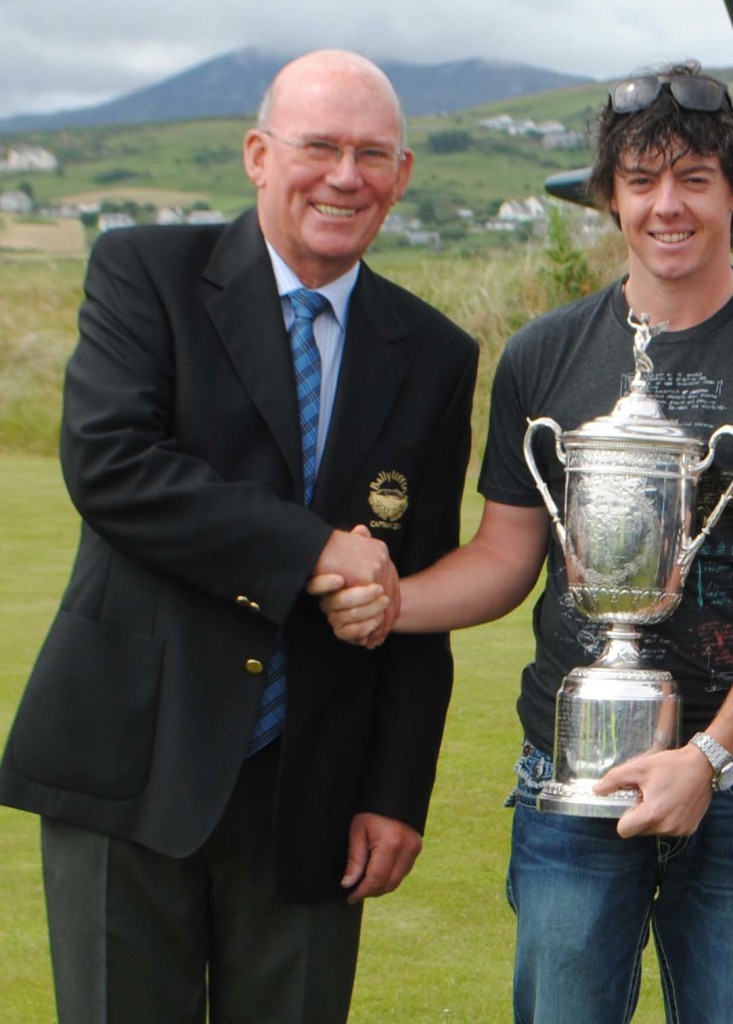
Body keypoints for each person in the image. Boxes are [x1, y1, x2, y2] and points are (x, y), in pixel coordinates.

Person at [310, 63, 733, 1023]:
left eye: (695, 178)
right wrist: (390, 601)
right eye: (642, 180)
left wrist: (708, 757)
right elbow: (503, 560)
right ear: (611, 196)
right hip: (571, 773)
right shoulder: (543, 356)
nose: (668, 206)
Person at [0, 50, 478, 1024]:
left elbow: (411, 587)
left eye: (371, 154)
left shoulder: (433, 353)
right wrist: (312, 551)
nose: (345, 176)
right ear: (259, 155)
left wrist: (396, 790)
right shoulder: (144, 272)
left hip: (312, 793)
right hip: (132, 760)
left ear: (402, 174)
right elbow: (113, 466)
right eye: (318, 147)